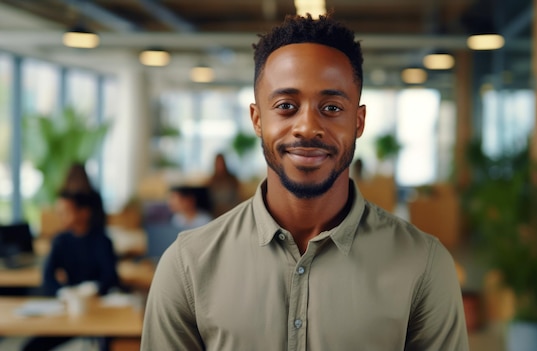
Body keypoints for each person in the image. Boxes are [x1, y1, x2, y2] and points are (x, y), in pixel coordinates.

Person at [141, 14, 468, 351]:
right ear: (257, 119)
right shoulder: (187, 265)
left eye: (331, 107)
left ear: (358, 122)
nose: (307, 127)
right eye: (286, 106)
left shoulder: (424, 265)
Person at [22, 190, 120, 351]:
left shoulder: (102, 240)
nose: (61, 217)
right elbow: (47, 276)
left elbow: (111, 277)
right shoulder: (60, 240)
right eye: (59, 212)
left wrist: (93, 289)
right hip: (70, 307)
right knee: (30, 347)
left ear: (84, 213)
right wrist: (63, 292)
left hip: (99, 308)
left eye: (66, 212)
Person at [206, 152, 241, 217]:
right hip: (216, 214)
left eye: (221, 163)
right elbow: (210, 201)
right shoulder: (211, 181)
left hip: (231, 212)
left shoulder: (232, 179)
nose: (220, 165)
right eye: (218, 163)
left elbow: (237, 199)